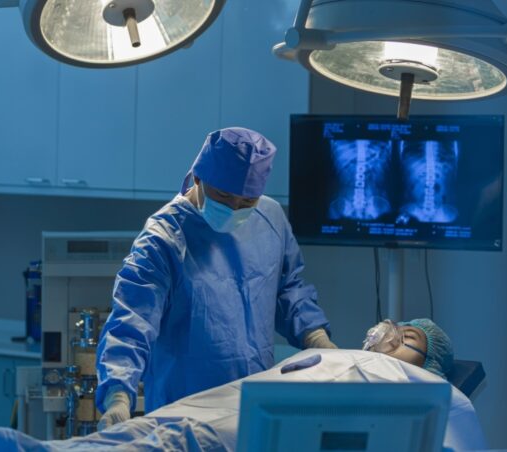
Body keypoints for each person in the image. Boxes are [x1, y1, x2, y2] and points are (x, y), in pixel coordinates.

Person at [96, 127, 337, 430]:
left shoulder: (270, 218)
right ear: (198, 177)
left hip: (251, 406)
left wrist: (316, 338)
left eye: (247, 201)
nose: (234, 208)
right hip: (182, 413)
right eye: (223, 196)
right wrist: (118, 396)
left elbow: (288, 290)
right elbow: (131, 321)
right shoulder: (163, 239)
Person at [0, 318, 484, 452]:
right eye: (389, 326)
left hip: (214, 440)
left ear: (430, 360)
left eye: (406, 335)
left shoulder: (435, 391)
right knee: (125, 439)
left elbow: (456, 439)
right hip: (194, 419)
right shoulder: (338, 357)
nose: (386, 335)